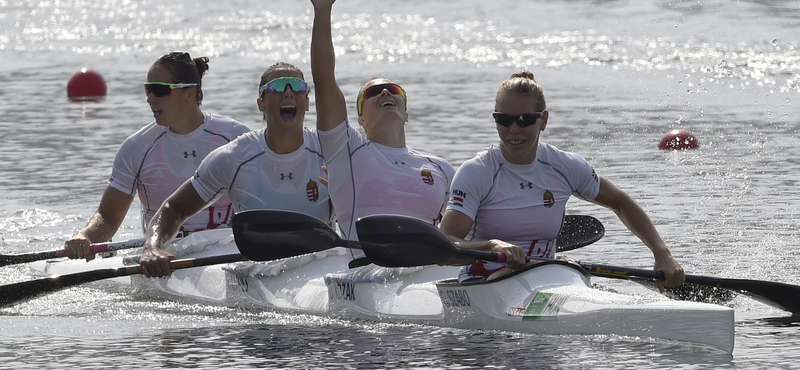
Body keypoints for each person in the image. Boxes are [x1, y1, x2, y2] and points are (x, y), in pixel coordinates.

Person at [439, 71, 685, 292]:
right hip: (484, 282)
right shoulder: (477, 172)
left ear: (543, 120)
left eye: (524, 120)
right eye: (504, 120)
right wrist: (492, 246)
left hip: (548, 277)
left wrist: (663, 255)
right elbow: (447, 245)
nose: (513, 130)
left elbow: (620, 202)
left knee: (570, 270)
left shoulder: (564, 166)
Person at [139, 62, 331, 277]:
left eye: (297, 87)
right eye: (277, 87)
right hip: (260, 267)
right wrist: (153, 246)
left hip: (321, 264)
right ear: (261, 103)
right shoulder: (234, 157)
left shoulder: (332, 153)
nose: (288, 93)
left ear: (306, 102)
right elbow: (175, 208)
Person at [65, 52, 251, 261]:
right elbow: (108, 219)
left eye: (160, 90)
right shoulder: (136, 148)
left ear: (189, 93)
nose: (149, 98)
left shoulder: (235, 138)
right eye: (148, 89)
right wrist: (85, 236)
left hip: (224, 249)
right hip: (161, 253)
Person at [310, 0, 455, 267]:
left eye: (393, 90)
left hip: (428, 271)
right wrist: (323, 9)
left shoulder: (442, 169)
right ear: (361, 120)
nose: (385, 92)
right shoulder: (347, 151)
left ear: (406, 114)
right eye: (373, 93)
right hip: (368, 272)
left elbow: (460, 231)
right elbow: (324, 80)